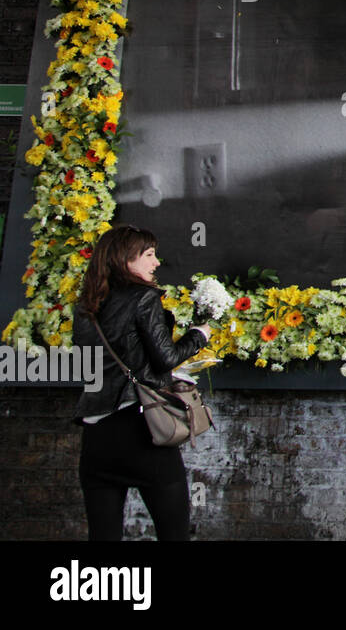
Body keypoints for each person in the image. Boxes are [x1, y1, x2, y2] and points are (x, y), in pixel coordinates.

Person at [72, 225, 212, 541]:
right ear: (126, 259)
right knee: (174, 532)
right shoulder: (143, 297)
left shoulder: (86, 307)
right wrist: (199, 336)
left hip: (96, 437)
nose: (156, 262)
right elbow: (165, 357)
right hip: (142, 431)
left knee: (103, 536)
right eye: (148, 254)